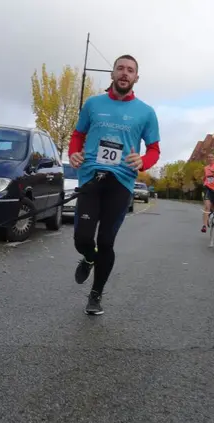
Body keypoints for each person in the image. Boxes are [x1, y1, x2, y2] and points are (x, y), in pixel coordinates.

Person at [68, 54, 161, 315]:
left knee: (106, 241)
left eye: (130, 70)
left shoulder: (146, 112)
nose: (124, 73)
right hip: (91, 177)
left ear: (136, 78)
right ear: (112, 74)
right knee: (83, 237)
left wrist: (142, 162)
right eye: (120, 68)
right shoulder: (93, 104)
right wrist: (73, 153)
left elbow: (154, 149)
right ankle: (88, 257)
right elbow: (78, 134)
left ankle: (95, 295)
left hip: (121, 182)